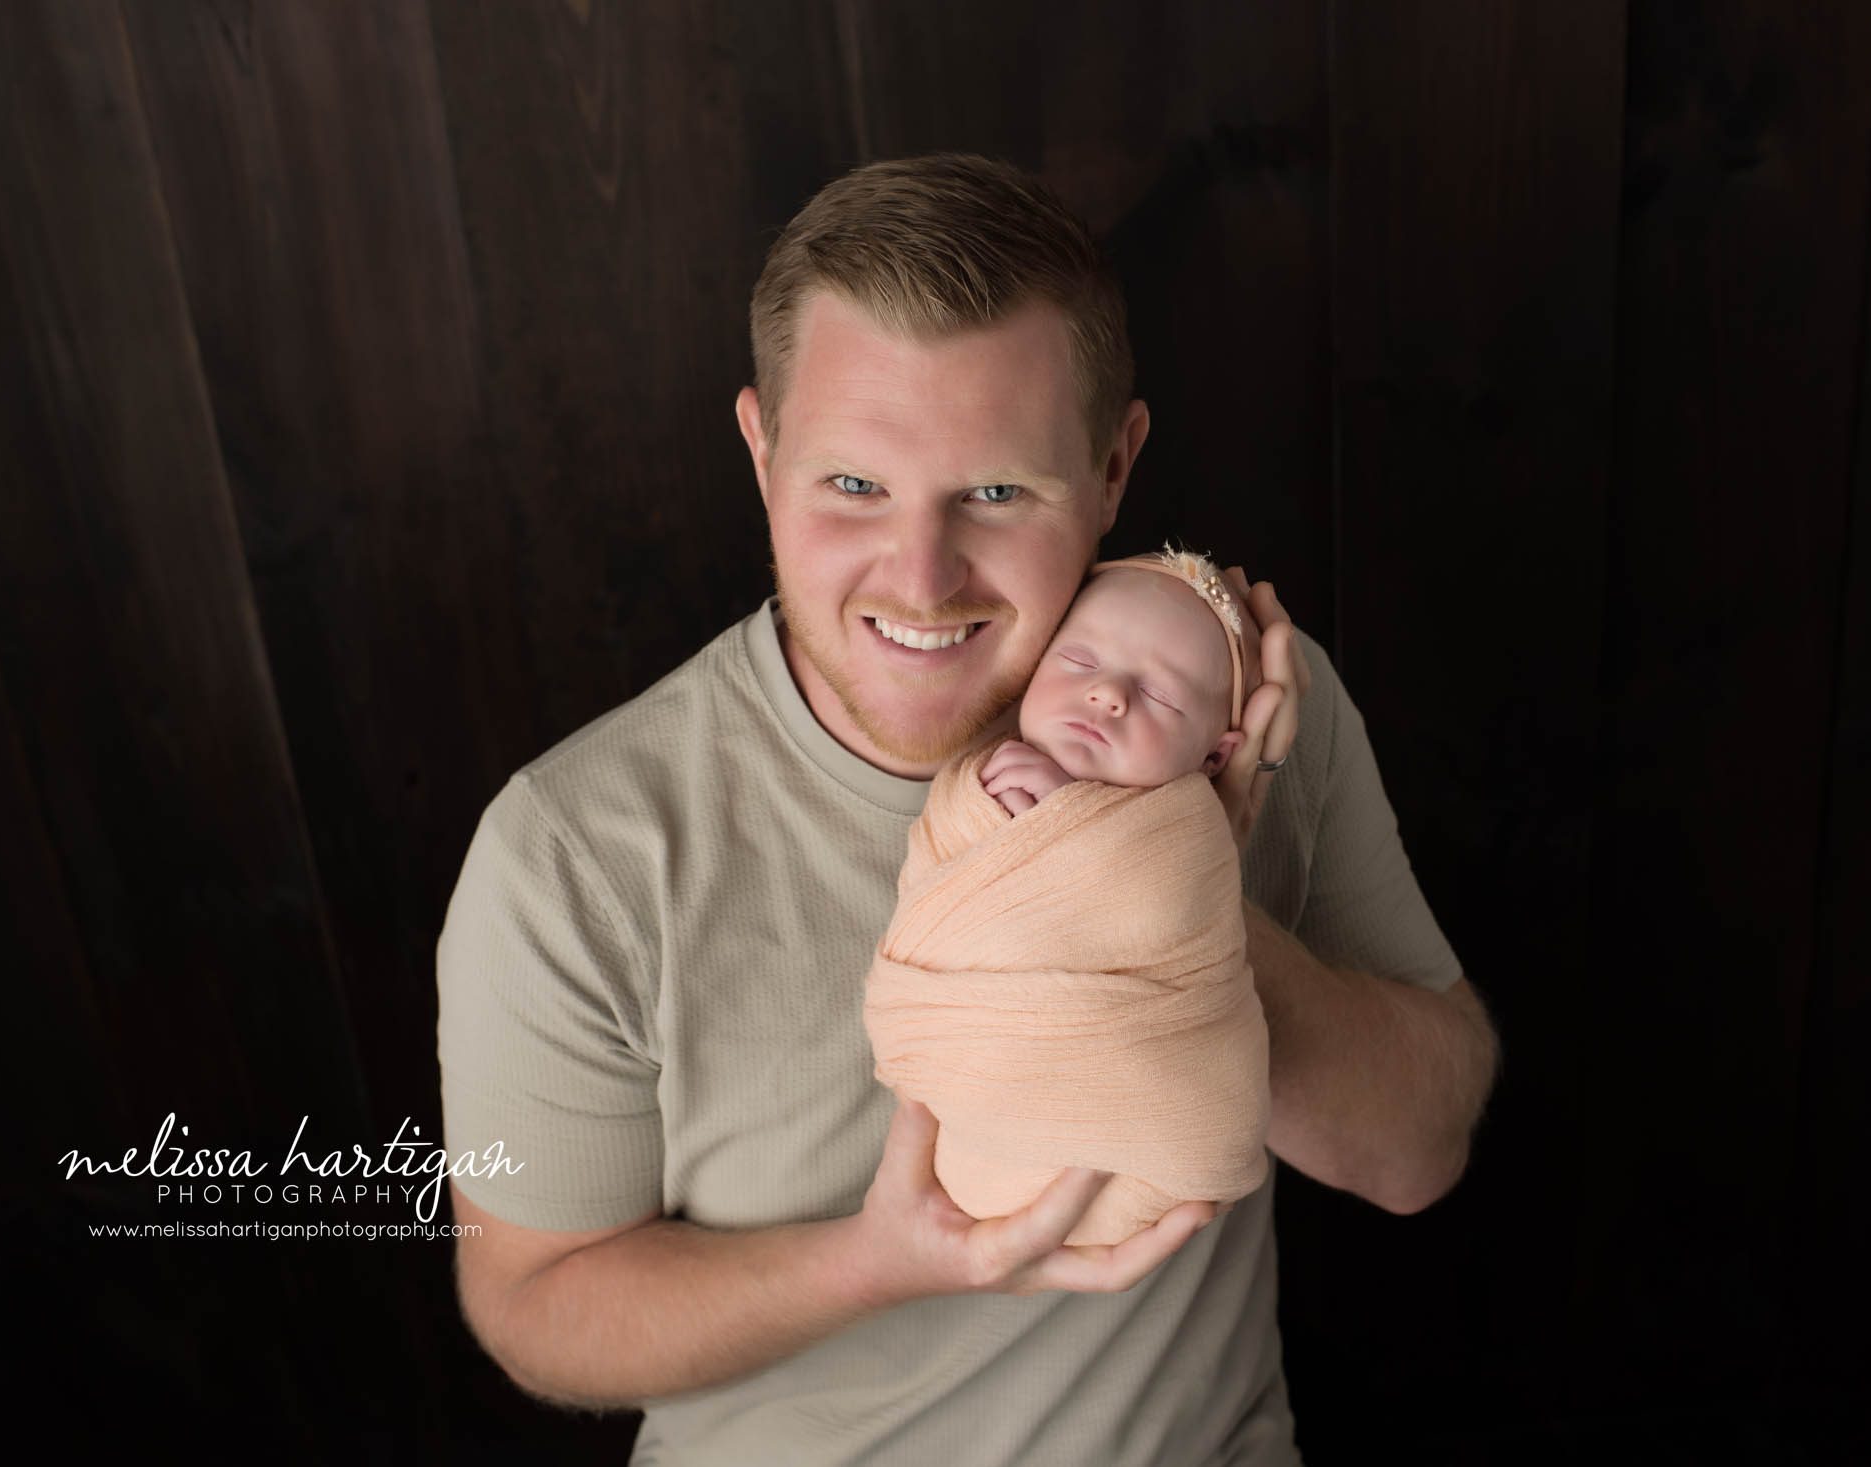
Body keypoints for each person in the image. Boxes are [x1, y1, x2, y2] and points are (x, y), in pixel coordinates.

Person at [436, 153, 1499, 1467]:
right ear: (763, 450)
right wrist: (882, 1260)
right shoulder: (574, 850)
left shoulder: (1233, 709)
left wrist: (1177, 895)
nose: (923, 579)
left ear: (1116, 468)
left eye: (996, 492)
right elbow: (533, 1300)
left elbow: (1421, 1150)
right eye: (852, 486)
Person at [865, 549, 1274, 1250]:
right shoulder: (974, 783)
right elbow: (928, 899)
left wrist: (1069, 831)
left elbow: (1162, 908)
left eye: (1165, 697)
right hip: (974, 1127)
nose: (1109, 694)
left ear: (1215, 756)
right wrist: (1002, 815)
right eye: (1079, 662)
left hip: (1152, 1150)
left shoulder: (1190, 833)